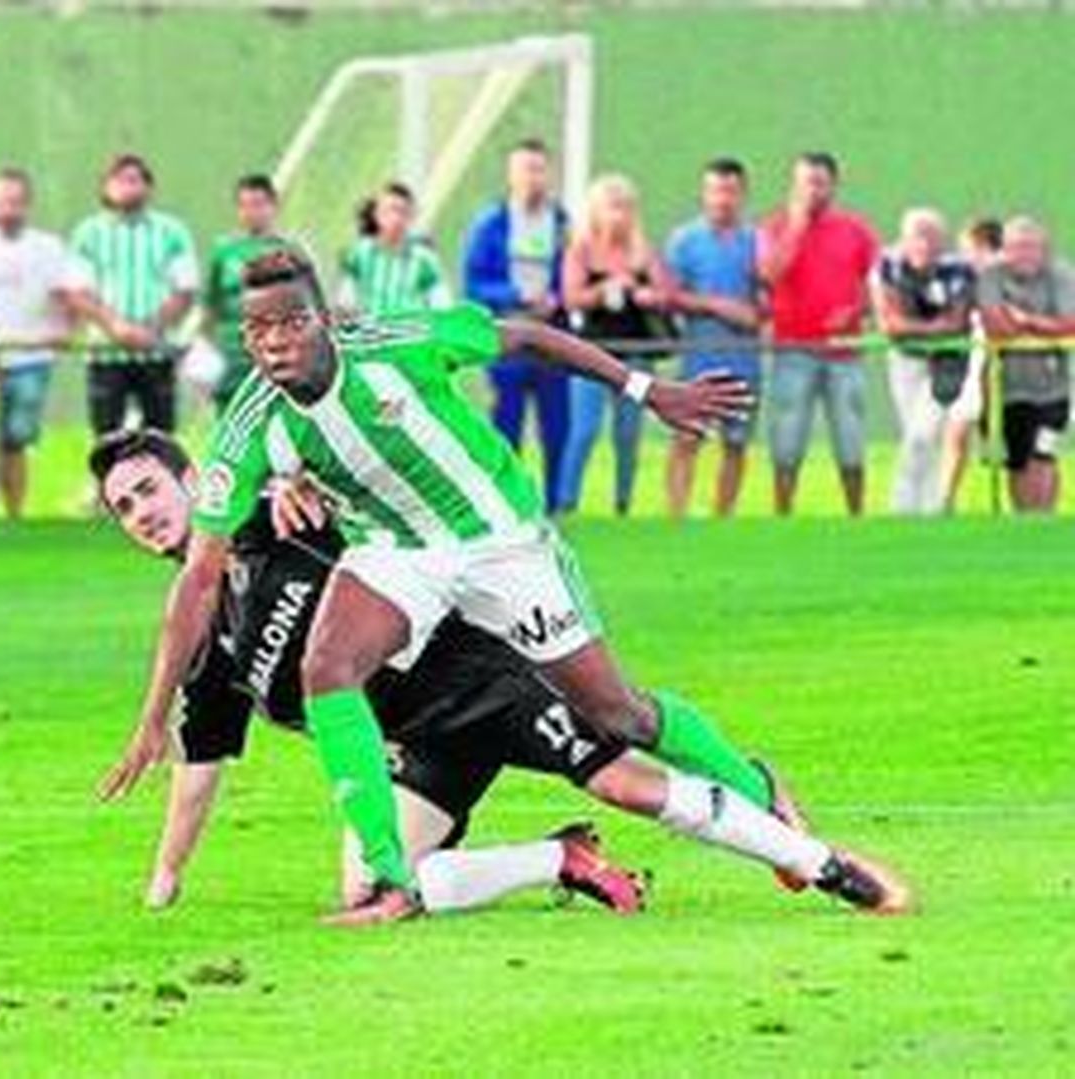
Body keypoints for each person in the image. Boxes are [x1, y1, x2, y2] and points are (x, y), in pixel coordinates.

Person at [102, 247, 870, 924]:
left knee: (621, 715)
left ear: (326, 318)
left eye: (292, 322)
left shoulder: (400, 343)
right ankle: (400, 879)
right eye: (260, 330)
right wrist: (152, 726)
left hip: (501, 541)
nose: (277, 342)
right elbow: (199, 579)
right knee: (328, 668)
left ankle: (752, 786)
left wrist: (645, 390)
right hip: (404, 557)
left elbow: (528, 337)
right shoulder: (250, 430)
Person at [92, 429, 907, 918]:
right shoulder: (202, 633)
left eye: (148, 488)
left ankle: (800, 841)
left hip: (486, 669)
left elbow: (389, 497)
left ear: (195, 478)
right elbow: (199, 768)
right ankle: (561, 861)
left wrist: (307, 480)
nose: (142, 512)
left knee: (625, 767)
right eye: (123, 507)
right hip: (422, 741)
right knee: (372, 887)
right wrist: (164, 880)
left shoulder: (280, 513)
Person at [0, 168, 79, 519]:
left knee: (16, 440)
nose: (8, 209)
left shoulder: (48, 247)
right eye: (1, 201)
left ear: (27, 204)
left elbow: (69, 296)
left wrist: (67, 330)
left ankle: (14, 514)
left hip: (31, 358)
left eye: (15, 202)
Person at [758, 152, 880, 517]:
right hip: (793, 348)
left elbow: (877, 286)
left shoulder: (855, 230)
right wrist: (796, 228)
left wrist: (856, 311)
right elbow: (769, 274)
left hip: (844, 351)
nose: (812, 191)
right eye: (805, 182)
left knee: (850, 435)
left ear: (833, 186)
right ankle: (783, 513)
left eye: (820, 182)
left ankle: (855, 514)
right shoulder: (775, 228)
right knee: (787, 436)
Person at [463, 138, 573, 514]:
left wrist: (557, 296)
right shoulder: (490, 224)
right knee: (506, 423)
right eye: (525, 168)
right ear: (511, 175)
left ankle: (556, 505)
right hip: (508, 338)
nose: (532, 177)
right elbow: (473, 282)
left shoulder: (561, 223)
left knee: (556, 425)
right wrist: (515, 294)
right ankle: (507, 503)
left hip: (553, 338)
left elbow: (573, 273)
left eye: (539, 168)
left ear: (549, 174)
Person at [558, 174, 673, 515]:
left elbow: (666, 294)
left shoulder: (642, 251)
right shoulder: (580, 250)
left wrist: (649, 294)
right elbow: (571, 298)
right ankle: (567, 503)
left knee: (628, 434)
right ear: (596, 210)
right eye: (612, 207)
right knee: (584, 430)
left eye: (624, 207)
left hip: (636, 354)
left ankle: (623, 503)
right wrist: (607, 286)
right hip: (591, 354)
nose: (618, 215)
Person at [67, 154, 198, 438]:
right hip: (106, 353)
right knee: (107, 439)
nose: (128, 187)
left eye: (135, 180)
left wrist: (150, 329)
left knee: (160, 438)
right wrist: (116, 327)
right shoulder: (87, 233)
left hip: (156, 351)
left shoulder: (171, 232)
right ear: (105, 188)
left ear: (148, 188)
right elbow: (78, 292)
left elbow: (185, 289)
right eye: (120, 180)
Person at [663, 158, 762, 519]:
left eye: (731, 191)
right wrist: (717, 305)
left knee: (735, 442)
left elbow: (766, 298)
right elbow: (670, 294)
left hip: (744, 357)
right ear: (705, 194)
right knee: (688, 437)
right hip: (698, 355)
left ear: (743, 194)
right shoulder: (685, 241)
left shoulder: (756, 240)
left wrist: (753, 313)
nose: (724, 199)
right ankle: (677, 514)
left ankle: (724, 515)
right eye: (717, 190)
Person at [872, 209, 974, 516]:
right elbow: (889, 324)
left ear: (942, 242)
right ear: (904, 240)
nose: (924, 245)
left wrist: (915, 328)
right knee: (915, 434)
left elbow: (956, 323)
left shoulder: (958, 269)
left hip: (948, 361)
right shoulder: (888, 264)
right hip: (905, 359)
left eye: (931, 237)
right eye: (917, 237)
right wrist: (931, 328)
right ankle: (927, 507)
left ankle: (903, 507)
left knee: (923, 432)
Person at [976, 216, 1075, 513]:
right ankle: (1025, 519)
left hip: (1053, 387)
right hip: (1008, 388)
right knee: (1018, 461)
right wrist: (1044, 325)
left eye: (1031, 247)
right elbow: (995, 326)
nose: (1024, 254)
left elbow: (1070, 325)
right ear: (1004, 250)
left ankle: (1044, 517)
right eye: (1017, 247)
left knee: (1043, 455)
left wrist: (1026, 320)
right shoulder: (990, 277)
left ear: (1044, 249)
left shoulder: (1061, 276)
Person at [201, 174, 289, 410]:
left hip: (274, 351)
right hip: (232, 352)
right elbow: (211, 305)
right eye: (245, 205)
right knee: (229, 419)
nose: (252, 212)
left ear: (273, 206)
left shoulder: (287, 251)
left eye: (259, 204)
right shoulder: (224, 251)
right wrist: (207, 345)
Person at [944, 218, 1002, 512]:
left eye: (966, 248)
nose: (963, 255)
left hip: (999, 364)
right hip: (978, 361)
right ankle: (945, 502)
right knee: (956, 430)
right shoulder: (974, 278)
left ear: (981, 245)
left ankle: (946, 502)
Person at [337, 182, 451, 316]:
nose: (396, 219)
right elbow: (346, 301)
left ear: (411, 218)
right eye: (390, 210)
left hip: (412, 332)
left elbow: (441, 305)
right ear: (377, 215)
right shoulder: (360, 254)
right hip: (370, 331)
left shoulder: (424, 260)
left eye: (403, 212)